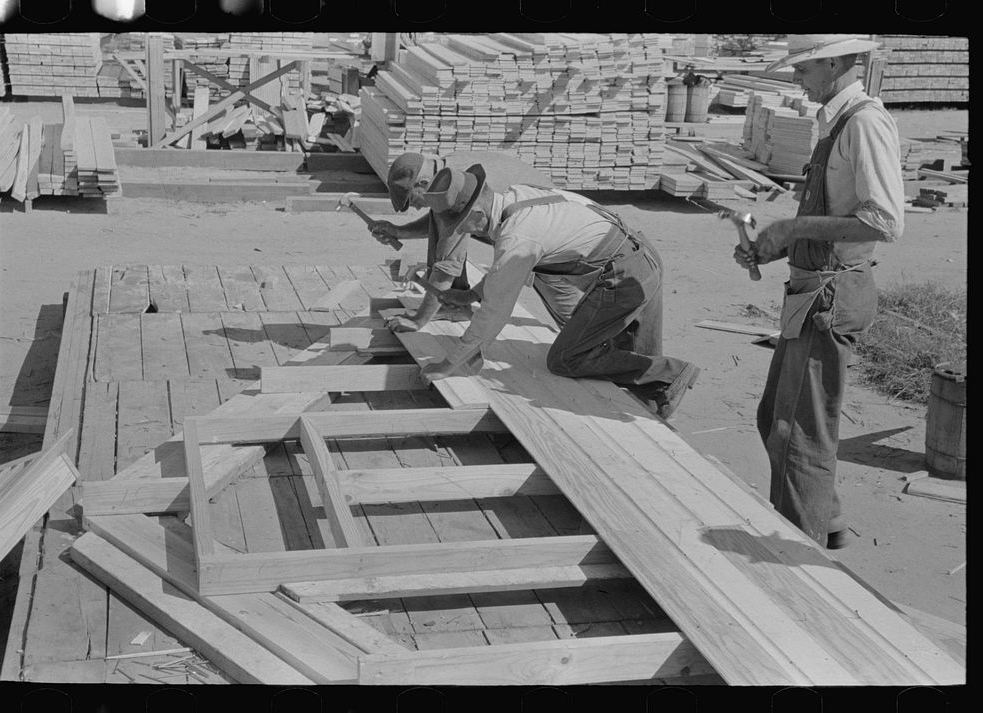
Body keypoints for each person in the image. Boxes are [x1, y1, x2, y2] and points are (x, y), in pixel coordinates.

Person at [735, 35, 905, 550]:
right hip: (810, 289)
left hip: (833, 294)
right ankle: (826, 525)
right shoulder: (834, 121)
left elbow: (884, 220)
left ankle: (796, 556)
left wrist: (790, 228)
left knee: (798, 434)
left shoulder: (865, 122)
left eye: (803, 68)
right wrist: (775, 244)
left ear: (834, 62)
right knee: (777, 418)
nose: (796, 80)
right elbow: (830, 214)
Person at [415, 163, 700, 420]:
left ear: (477, 214)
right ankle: (659, 402)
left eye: (461, 226)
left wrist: (449, 363)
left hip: (622, 276)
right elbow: (507, 271)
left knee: (565, 359)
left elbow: (495, 309)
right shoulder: (518, 196)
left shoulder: (517, 236)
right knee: (635, 372)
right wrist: (470, 295)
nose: (464, 232)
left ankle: (672, 372)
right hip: (642, 255)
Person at [367, 152, 555, 332]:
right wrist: (400, 231)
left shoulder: (459, 190)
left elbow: (446, 267)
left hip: (552, 230)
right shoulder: (446, 176)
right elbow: (441, 221)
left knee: (569, 309)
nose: (416, 208)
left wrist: (417, 321)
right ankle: (454, 307)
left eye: (413, 199)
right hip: (529, 219)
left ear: (423, 183)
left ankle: (453, 306)